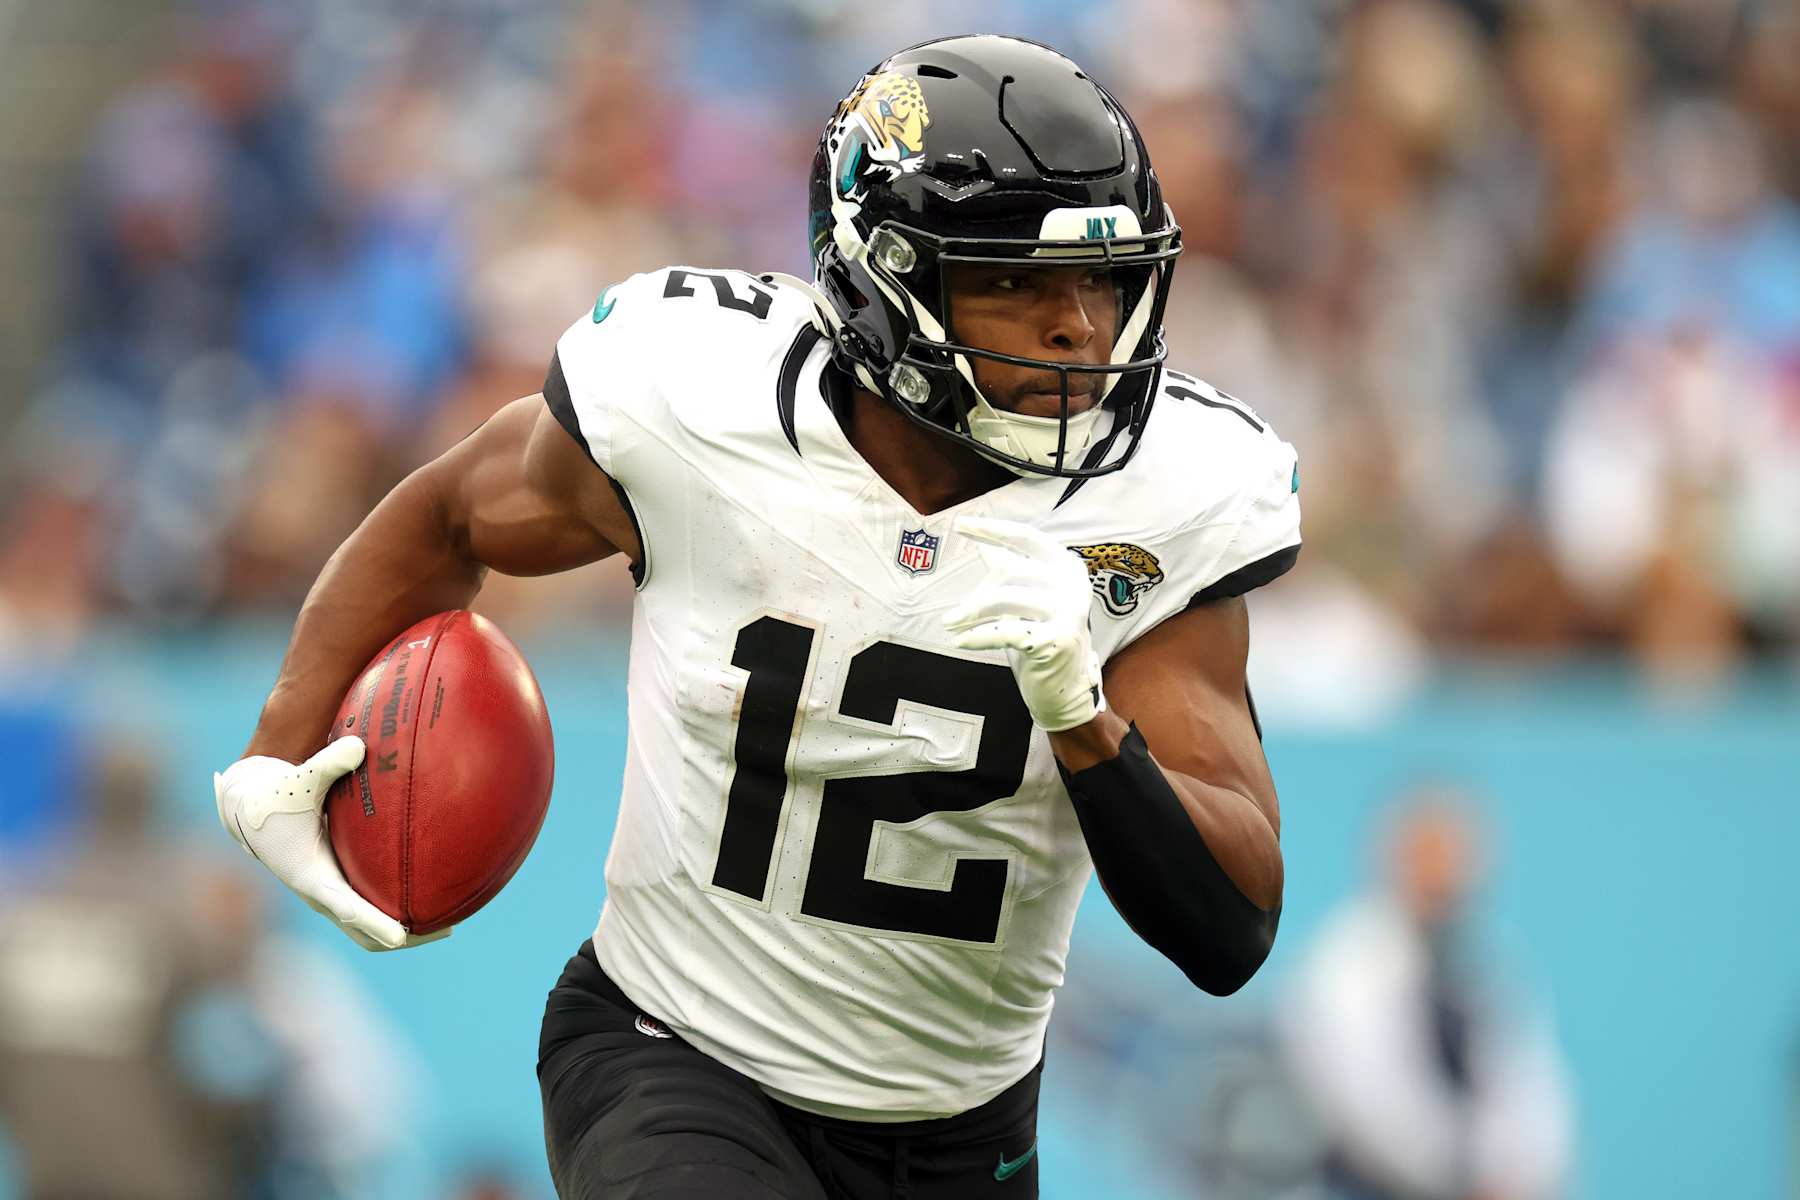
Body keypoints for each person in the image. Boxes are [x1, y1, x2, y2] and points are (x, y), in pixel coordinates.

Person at [214, 35, 1303, 1199]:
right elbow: (449, 518)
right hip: (675, 1055)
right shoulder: (701, 401)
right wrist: (280, 743)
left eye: (1102, 279)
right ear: (882, 277)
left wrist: (1079, 712)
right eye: (1013, 279)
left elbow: (1230, 930)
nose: (1078, 329)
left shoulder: (1171, 493)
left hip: (960, 1129)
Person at [1279, 791, 1575, 1200]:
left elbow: (1532, 1091)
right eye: (1429, 853)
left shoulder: (1487, 961)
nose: (1444, 872)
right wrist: (1466, 1177)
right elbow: (1371, 1106)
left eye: (1456, 855)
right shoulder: (1345, 962)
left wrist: (1518, 1175)